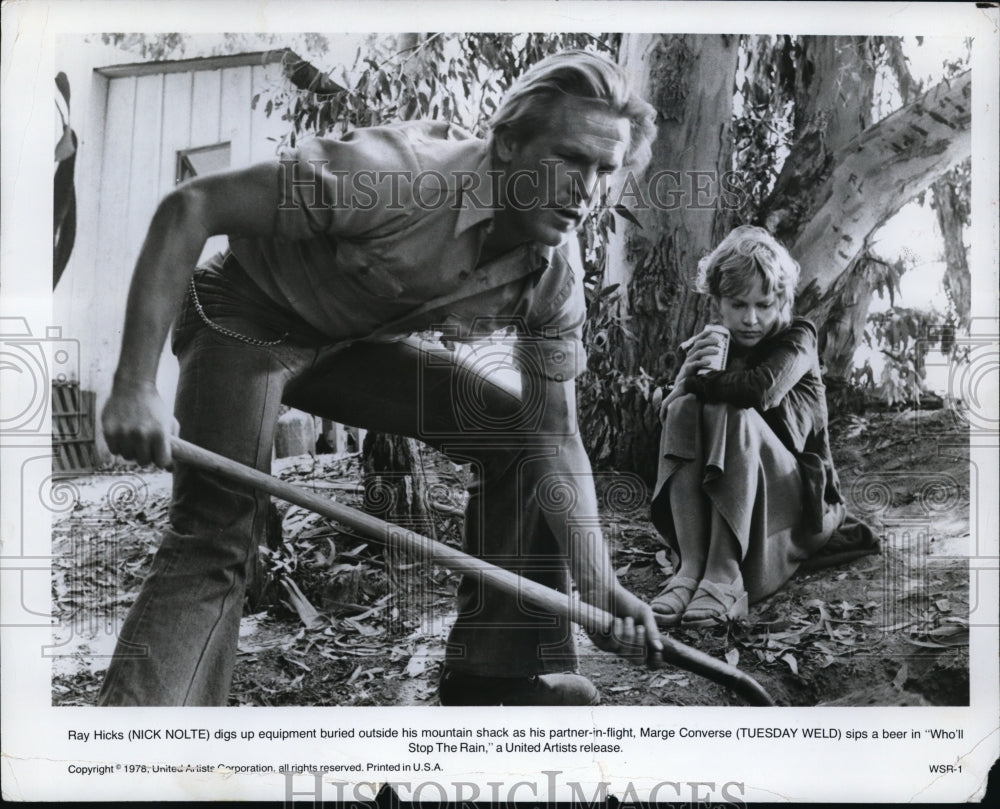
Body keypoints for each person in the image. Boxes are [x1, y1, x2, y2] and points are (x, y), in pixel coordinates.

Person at [97, 50, 663, 706]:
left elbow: (555, 436)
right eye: (569, 159)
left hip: (349, 343)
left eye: (604, 170)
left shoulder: (553, 276)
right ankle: (144, 739)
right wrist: (134, 383)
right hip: (246, 315)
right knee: (221, 528)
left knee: (516, 434)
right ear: (508, 144)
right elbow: (191, 206)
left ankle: (495, 675)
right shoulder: (395, 175)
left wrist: (600, 587)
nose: (586, 190)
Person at [649, 225, 875, 627]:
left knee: (731, 408)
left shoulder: (798, 337)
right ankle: (691, 567)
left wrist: (692, 383)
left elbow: (760, 391)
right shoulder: (718, 344)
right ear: (717, 301)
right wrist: (682, 383)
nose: (750, 319)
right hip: (734, 507)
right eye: (738, 304)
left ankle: (724, 574)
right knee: (684, 408)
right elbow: (672, 415)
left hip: (793, 505)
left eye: (764, 305)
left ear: (782, 301)